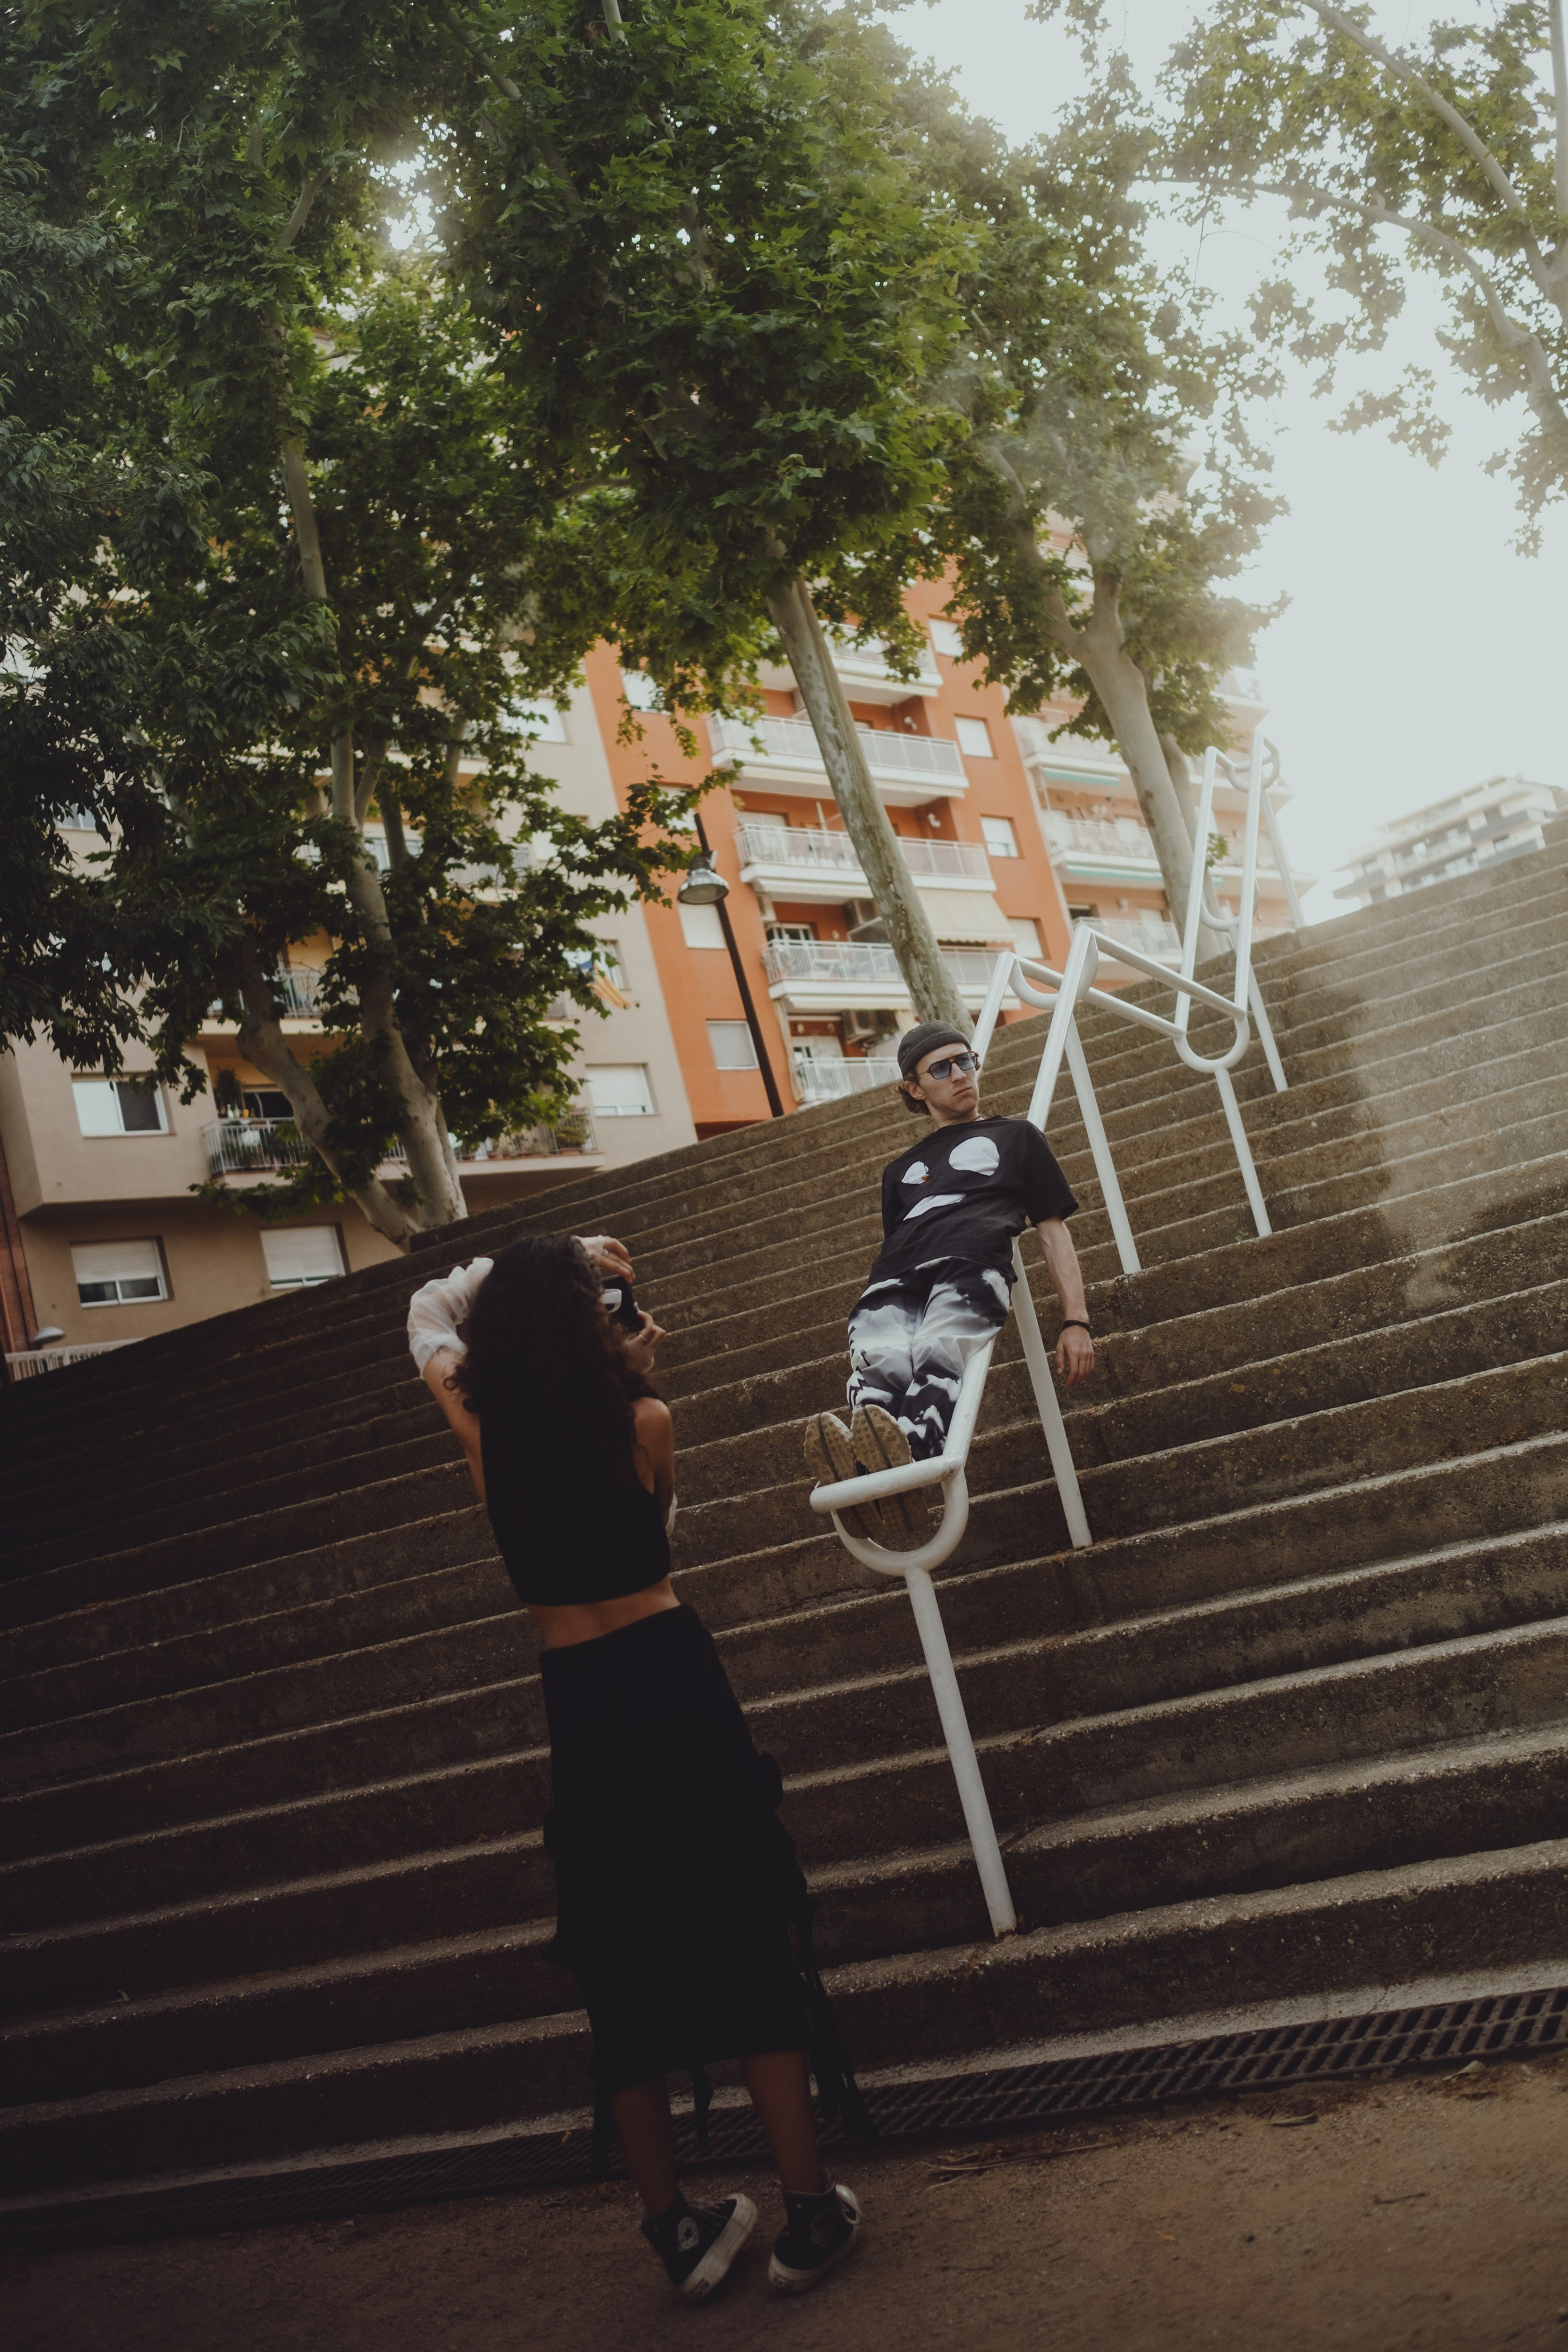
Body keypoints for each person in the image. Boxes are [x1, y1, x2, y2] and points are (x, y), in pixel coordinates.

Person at [408, 1233, 867, 2305]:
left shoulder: (482, 1429)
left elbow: (430, 1310)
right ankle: (807, 2210)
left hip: (583, 1701)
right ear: (590, 1323)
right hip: (673, 1681)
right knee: (743, 1926)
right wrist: (595, 1283)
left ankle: (676, 2233)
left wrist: (550, 1260)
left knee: (620, 1961)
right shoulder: (647, 1422)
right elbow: (653, 1526)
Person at [805, 1022, 1096, 1544]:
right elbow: (896, 1239)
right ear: (915, 1089)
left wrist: (1075, 1319)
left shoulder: (1018, 1137)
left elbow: (1053, 1233)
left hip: (970, 1266)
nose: (960, 1074)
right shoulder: (899, 1171)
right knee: (879, 1373)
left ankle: (901, 1471)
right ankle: (870, 1479)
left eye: (966, 1060)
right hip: (892, 1280)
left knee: (938, 1356)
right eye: (941, 1068)